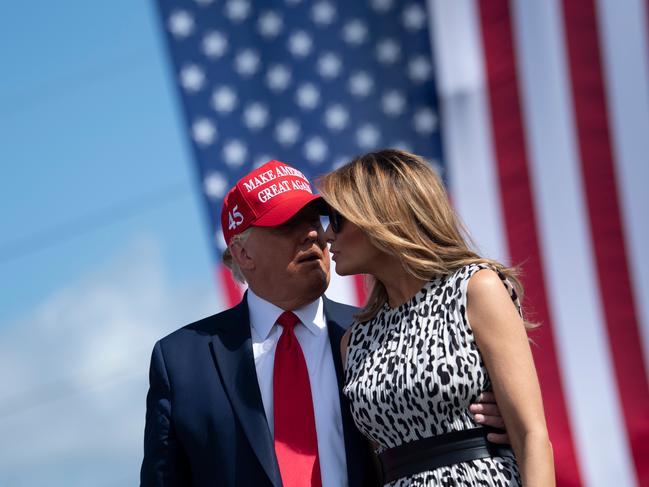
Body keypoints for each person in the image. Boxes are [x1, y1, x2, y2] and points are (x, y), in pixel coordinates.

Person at [140, 159, 510, 487]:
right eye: (287, 224)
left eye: (315, 218)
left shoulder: (378, 336)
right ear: (243, 252)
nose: (314, 233)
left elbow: (441, 428)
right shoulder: (182, 362)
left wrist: (485, 420)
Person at [316, 150, 554, 486]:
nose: (327, 236)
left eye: (337, 220)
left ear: (382, 216)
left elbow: (532, 436)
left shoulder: (476, 288)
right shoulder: (353, 342)